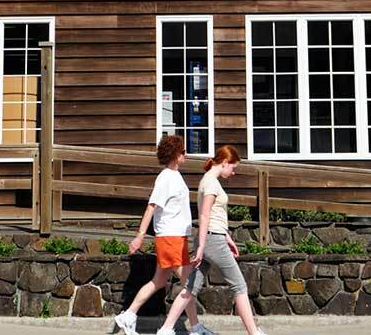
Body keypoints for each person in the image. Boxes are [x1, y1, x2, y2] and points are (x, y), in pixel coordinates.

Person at [164, 144, 270, 335]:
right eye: (233, 168)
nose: (234, 173)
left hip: (211, 239)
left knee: (190, 288)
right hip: (212, 241)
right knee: (239, 285)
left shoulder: (208, 180)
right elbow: (204, 216)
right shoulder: (211, 183)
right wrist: (204, 245)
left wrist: (226, 238)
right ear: (225, 162)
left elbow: (214, 216)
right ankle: (253, 332)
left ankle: (165, 329)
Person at [113, 134, 205, 335]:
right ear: (174, 154)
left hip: (176, 237)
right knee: (190, 283)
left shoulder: (176, 175)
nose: (185, 154)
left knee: (159, 281)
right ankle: (180, 328)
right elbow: (151, 207)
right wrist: (139, 235)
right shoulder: (165, 178)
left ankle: (128, 315)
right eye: (182, 151)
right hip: (169, 237)